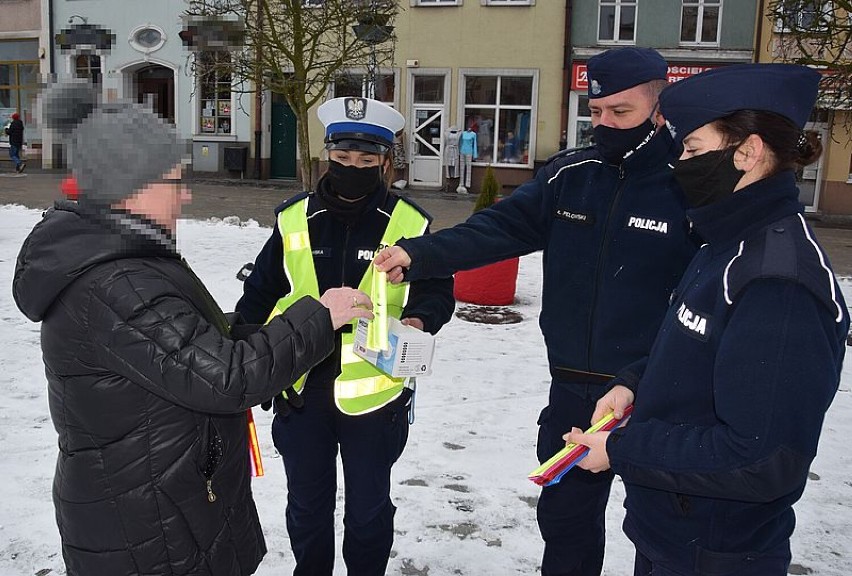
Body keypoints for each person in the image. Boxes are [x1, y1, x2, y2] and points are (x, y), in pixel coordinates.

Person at [12, 81, 372, 576]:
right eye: (174, 181)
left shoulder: (119, 260)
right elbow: (224, 378)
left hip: (160, 501)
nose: (185, 195)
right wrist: (320, 315)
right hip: (150, 526)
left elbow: (187, 350)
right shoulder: (120, 283)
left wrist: (254, 336)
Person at [374, 47, 698, 576]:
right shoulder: (570, 175)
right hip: (571, 392)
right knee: (566, 525)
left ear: (658, 110)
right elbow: (498, 228)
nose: (605, 125)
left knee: (663, 533)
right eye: (596, 113)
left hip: (656, 394)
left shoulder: (688, 182)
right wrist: (420, 253)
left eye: (621, 113)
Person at [566, 63, 850, 576]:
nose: (680, 164)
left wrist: (622, 449)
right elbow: (694, 348)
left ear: (748, 152)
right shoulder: (726, 243)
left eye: (693, 150)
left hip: (718, 552)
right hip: (672, 534)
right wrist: (635, 382)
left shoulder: (778, 281)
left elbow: (763, 458)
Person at [235, 96, 454, 576]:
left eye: (366, 160)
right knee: (307, 509)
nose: (352, 168)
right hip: (301, 391)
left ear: (385, 162)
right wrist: (243, 366)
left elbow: (437, 295)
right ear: (327, 157)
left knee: (368, 512)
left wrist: (417, 322)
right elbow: (259, 295)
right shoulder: (293, 220)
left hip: (376, 396)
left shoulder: (411, 225)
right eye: (342, 159)